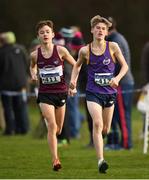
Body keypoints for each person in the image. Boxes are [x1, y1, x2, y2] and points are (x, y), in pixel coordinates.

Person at [68, 15, 128, 173]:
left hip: (110, 93)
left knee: (105, 129)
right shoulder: (84, 50)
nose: (100, 30)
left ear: (107, 32)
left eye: (103, 28)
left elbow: (125, 67)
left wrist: (117, 78)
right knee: (97, 123)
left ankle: (101, 138)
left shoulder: (113, 46)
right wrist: (73, 83)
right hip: (93, 92)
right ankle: (101, 160)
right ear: (92, 30)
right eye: (98, 28)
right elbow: (76, 66)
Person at [30, 20, 76, 171]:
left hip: (61, 92)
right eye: (42, 32)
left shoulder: (61, 51)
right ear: (38, 36)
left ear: (52, 35)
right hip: (45, 94)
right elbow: (32, 66)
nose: (45, 34)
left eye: (47, 32)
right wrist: (34, 73)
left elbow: (76, 64)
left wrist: (73, 83)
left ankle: (56, 138)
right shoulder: (34, 55)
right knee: (51, 125)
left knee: (58, 129)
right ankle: (55, 159)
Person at [105, 17, 135, 150]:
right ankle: (121, 142)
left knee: (123, 115)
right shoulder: (117, 38)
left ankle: (126, 144)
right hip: (122, 83)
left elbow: (118, 65)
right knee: (119, 114)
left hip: (122, 83)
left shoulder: (116, 40)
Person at [0, 31, 30, 135]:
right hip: (21, 84)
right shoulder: (21, 49)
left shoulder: (2, 51)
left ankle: (10, 129)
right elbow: (27, 64)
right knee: (20, 107)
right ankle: (22, 128)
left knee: (8, 108)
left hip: (6, 85)